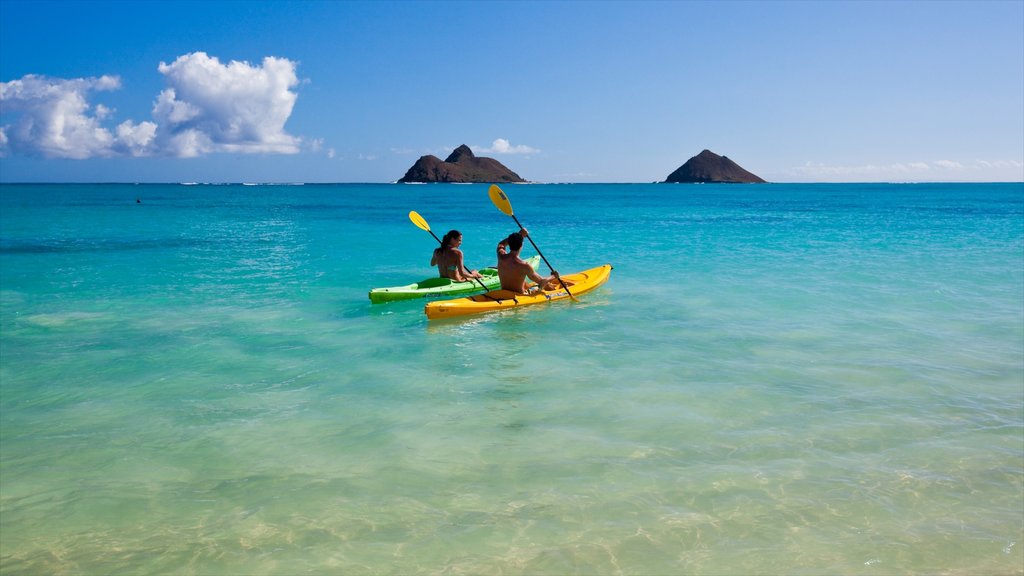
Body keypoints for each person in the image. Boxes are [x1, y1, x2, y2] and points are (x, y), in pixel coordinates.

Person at [496, 228, 568, 294]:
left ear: (509, 244)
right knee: (546, 284)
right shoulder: (524, 266)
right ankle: (556, 288)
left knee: (525, 282)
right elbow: (542, 282)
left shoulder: (501, 256)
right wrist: (553, 276)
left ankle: (552, 286)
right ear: (521, 245)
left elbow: (501, 244)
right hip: (519, 296)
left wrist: (519, 234)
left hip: (504, 293)